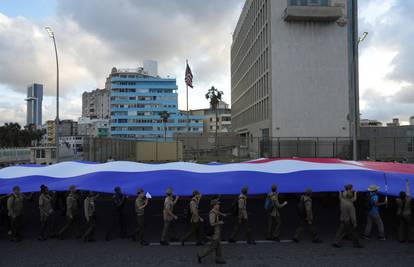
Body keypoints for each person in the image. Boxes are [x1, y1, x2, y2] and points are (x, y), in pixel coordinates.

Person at [197, 199, 226, 264]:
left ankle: (219, 259)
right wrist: (219, 222)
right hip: (215, 233)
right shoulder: (212, 213)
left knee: (218, 246)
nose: (219, 205)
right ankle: (200, 255)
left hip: (217, 232)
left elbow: (218, 212)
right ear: (214, 205)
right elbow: (212, 223)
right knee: (212, 247)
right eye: (217, 204)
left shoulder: (216, 211)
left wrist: (222, 214)